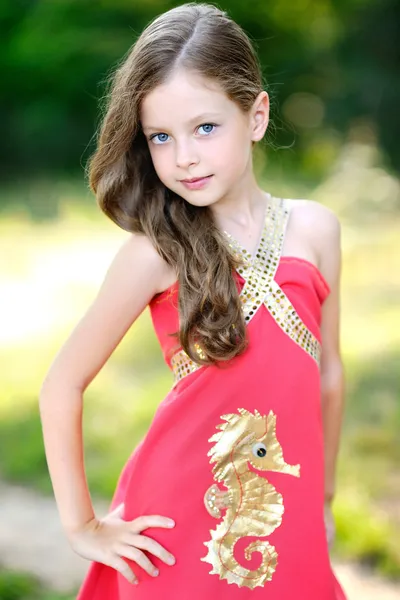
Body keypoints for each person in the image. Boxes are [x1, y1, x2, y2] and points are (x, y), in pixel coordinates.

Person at [39, 2, 347, 599]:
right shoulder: (153, 252)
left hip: (291, 508)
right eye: (161, 136)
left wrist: (324, 500)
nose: (183, 156)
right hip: (178, 528)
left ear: (255, 115)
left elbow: (329, 376)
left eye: (205, 127)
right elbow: (61, 385)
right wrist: (81, 524)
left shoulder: (318, 229)